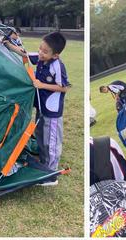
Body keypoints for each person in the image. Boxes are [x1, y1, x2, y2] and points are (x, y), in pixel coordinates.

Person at [29, 32, 70, 185]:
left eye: (45, 51)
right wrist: (7, 43)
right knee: (40, 134)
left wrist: (42, 85)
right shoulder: (41, 58)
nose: (40, 52)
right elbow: (24, 54)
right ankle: (44, 160)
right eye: (40, 48)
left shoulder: (57, 66)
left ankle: (51, 175)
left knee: (51, 141)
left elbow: (64, 87)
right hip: (41, 106)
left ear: (56, 55)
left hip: (52, 112)